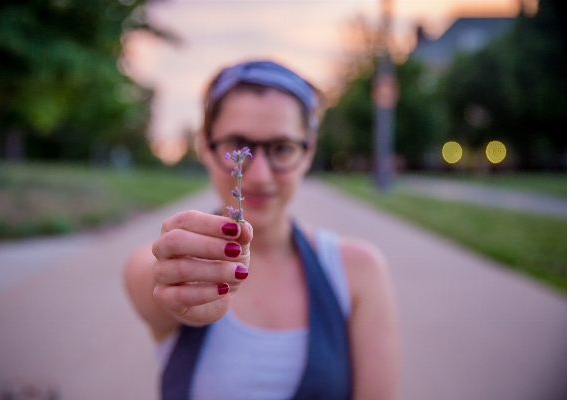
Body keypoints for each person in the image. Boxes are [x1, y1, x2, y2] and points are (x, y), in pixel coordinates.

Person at [123, 59, 401, 400]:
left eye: (282, 148)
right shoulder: (168, 258)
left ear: (308, 151)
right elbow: (148, 279)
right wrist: (175, 285)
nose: (258, 176)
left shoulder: (358, 271)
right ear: (205, 147)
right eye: (239, 146)